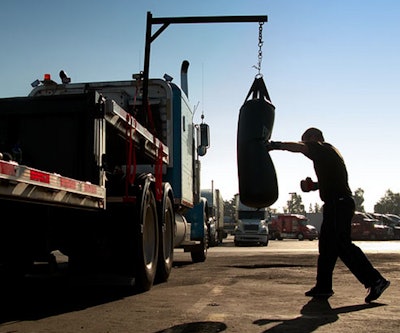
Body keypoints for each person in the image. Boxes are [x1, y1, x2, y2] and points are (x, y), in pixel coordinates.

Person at [266, 127, 390, 303]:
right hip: (335, 204)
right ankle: (323, 287)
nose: (305, 148)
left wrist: (274, 145)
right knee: (326, 248)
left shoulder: (323, 148)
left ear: (314, 138)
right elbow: (332, 179)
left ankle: (376, 280)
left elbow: (299, 147)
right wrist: (314, 186)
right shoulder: (328, 155)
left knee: (342, 245)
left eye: (307, 142)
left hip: (339, 204)